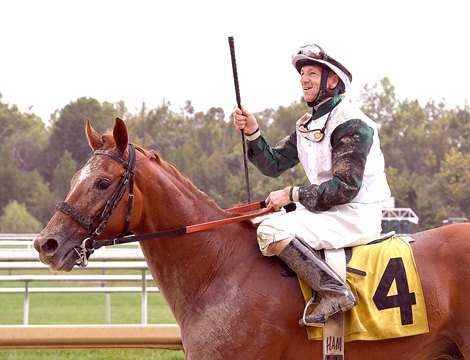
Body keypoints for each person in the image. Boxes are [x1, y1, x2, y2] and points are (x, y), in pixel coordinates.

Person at [233, 43, 391, 327]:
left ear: (333, 81)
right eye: (302, 73)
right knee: (260, 222)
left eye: (312, 74)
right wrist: (253, 131)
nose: (304, 79)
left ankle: (334, 292)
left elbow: (344, 188)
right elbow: (273, 164)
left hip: (356, 214)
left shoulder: (353, 123)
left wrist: (292, 194)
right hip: (329, 211)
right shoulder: (308, 123)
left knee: (271, 229)